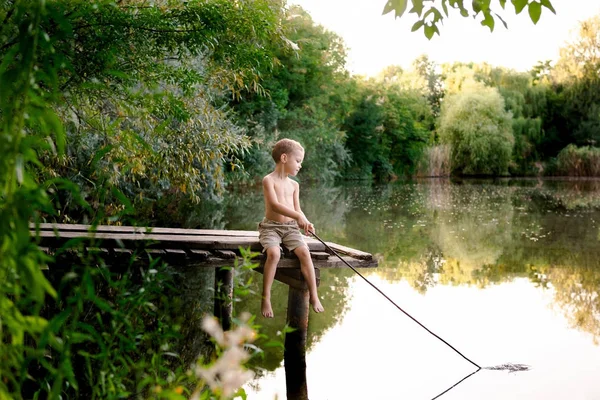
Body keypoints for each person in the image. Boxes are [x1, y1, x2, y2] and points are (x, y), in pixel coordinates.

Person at [258, 138, 324, 318]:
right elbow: (274, 205)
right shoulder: (268, 180)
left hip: (290, 228)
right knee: (274, 254)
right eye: (298, 161)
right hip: (271, 227)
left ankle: (314, 295)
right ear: (284, 158)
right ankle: (266, 297)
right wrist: (298, 216)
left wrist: (305, 221)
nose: (300, 165)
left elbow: (297, 209)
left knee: (305, 253)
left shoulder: (295, 185)